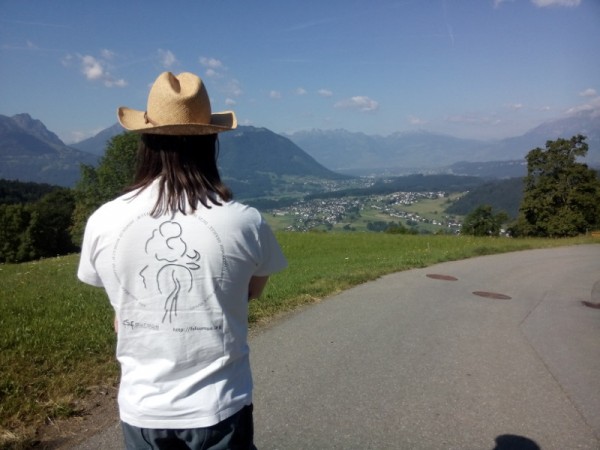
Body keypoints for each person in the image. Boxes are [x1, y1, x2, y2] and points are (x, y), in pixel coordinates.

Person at [77, 71, 287, 449]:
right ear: (211, 142)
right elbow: (250, 293)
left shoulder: (103, 220)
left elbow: (118, 306)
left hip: (142, 408)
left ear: (145, 139)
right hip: (220, 406)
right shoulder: (245, 221)